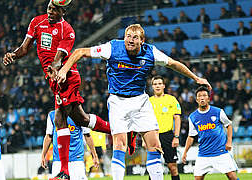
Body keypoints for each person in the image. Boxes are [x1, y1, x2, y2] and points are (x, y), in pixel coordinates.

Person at [56, 24, 211, 180]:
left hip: (140, 101)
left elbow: (173, 64)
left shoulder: (151, 52)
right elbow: (80, 52)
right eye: (127, 36)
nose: (130, 40)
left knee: (155, 146)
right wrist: (63, 70)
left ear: (142, 40)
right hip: (118, 101)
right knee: (119, 145)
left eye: (134, 37)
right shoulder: (113, 48)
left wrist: (196, 78)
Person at [2, 1, 110, 179]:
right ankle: (119, 132)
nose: (50, 12)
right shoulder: (36, 22)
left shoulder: (67, 31)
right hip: (54, 79)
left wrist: (53, 69)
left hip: (67, 77)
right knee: (82, 119)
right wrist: (13, 55)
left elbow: (59, 58)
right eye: (49, 8)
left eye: (55, 9)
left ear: (63, 11)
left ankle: (64, 172)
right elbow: (24, 48)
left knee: (59, 119)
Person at [182, 86, 238, 180]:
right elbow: (191, 136)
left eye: (204, 95)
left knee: (232, 176)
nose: (202, 98)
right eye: (200, 96)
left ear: (208, 98)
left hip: (220, 152)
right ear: (196, 99)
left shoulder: (218, 112)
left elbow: (229, 125)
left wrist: (229, 141)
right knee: (197, 179)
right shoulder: (193, 117)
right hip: (203, 153)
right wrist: (185, 152)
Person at [41, 110, 99, 180]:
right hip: (58, 161)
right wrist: (43, 155)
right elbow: (48, 136)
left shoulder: (80, 115)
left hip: (76, 160)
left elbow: (87, 135)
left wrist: (94, 155)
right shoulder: (52, 115)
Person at [149, 75, 181, 180]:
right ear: (152, 86)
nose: (157, 86)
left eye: (159, 84)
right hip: (153, 137)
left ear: (164, 86)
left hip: (168, 136)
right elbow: (145, 122)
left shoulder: (171, 99)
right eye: (155, 84)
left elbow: (177, 118)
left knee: (172, 167)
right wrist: (145, 140)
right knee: (153, 168)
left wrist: (176, 136)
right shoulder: (148, 102)